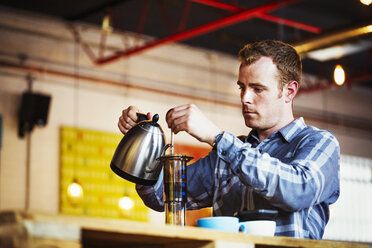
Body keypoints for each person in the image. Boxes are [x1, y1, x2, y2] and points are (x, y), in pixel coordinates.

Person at [118, 40, 340, 239]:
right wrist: (142, 141)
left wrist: (217, 137)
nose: (245, 98)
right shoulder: (222, 159)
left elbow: (298, 191)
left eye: (257, 89)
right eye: (242, 87)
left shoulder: (320, 143)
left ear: (289, 91)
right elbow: (161, 196)